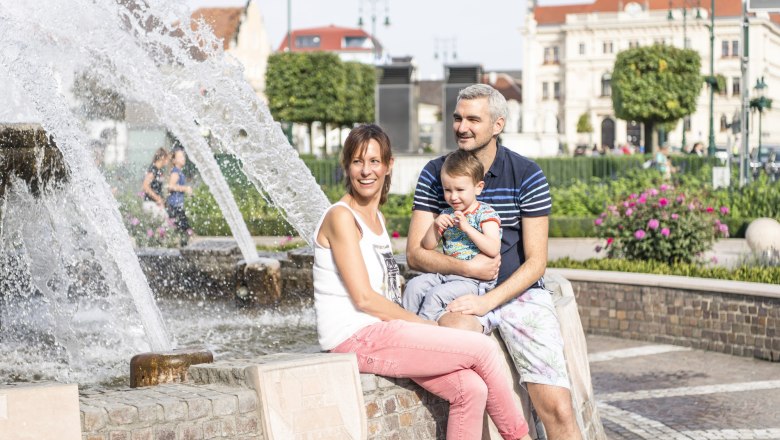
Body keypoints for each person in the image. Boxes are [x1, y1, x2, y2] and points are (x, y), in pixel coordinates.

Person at [313, 124, 531, 440]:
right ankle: (520, 437)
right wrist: (423, 326)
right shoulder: (341, 217)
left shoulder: (376, 219)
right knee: (482, 350)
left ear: (389, 166)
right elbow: (363, 299)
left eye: (375, 161)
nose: (366, 170)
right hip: (356, 337)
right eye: (358, 161)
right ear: (346, 165)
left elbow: (385, 290)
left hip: (382, 332)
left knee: (470, 389)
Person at [407, 84, 582, 440]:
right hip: (461, 292)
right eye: (458, 118)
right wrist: (469, 270)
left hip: (520, 296)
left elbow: (536, 263)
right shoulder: (435, 173)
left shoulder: (527, 174)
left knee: (559, 410)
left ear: (498, 125)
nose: (462, 127)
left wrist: (488, 300)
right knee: (462, 369)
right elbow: (416, 254)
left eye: (474, 118)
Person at [402, 149, 502, 334]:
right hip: (447, 274)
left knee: (435, 296)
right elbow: (428, 246)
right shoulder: (447, 213)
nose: (453, 196)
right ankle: (404, 327)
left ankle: (423, 335)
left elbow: (493, 247)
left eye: (460, 190)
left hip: (473, 282)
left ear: (478, 187)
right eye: (447, 190)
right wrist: (435, 227)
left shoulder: (485, 214)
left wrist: (468, 229)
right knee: (414, 287)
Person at [166, 146, 193, 244]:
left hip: (177, 205)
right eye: (180, 157)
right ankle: (182, 248)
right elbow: (170, 186)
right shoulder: (175, 172)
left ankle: (182, 246)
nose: (183, 158)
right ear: (174, 160)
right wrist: (185, 188)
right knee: (184, 228)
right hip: (174, 206)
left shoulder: (179, 172)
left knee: (183, 229)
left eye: (184, 156)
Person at [141, 147, 170, 219]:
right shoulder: (153, 169)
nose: (168, 161)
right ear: (163, 157)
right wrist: (157, 198)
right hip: (150, 203)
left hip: (155, 204)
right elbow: (145, 186)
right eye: (167, 158)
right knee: (166, 222)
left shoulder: (159, 170)